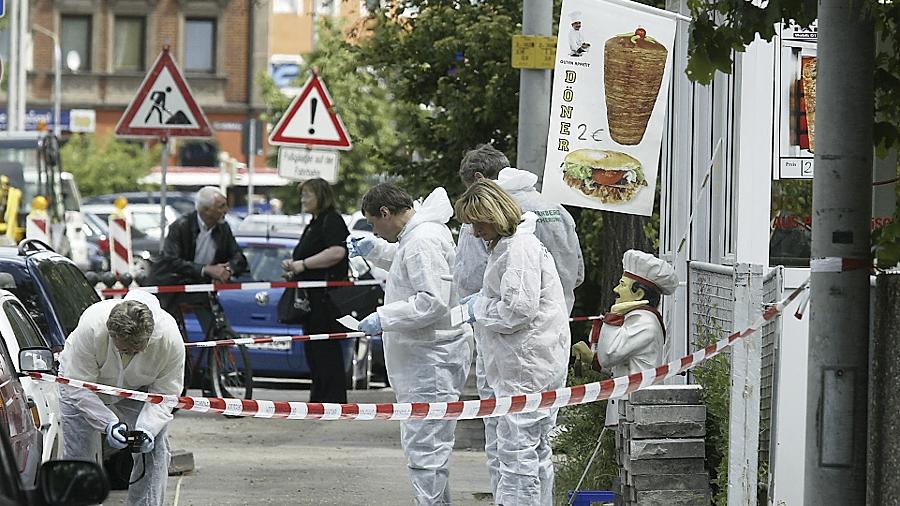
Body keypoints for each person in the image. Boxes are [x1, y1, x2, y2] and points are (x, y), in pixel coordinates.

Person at [456, 144, 583, 496]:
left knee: (517, 456)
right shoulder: (516, 242)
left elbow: (516, 312)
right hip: (528, 364)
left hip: (525, 368)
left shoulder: (518, 250)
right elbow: (577, 274)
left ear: (492, 216)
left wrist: (477, 308)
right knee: (533, 453)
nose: (476, 233)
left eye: (477, 225)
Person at [347, 183, 470, 505]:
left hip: (430, 360)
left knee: (425, 446)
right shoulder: (418, 236)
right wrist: (374, 250)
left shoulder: (423, 240)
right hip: (428, 358)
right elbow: (407, 266)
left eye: (374, 223)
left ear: (386, 213)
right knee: (429, 446)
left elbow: (432, 302)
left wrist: (383, 318)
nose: (375, 229)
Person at [58, 290, 185, 506]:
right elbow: (78, 388)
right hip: (81, 387)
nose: (127, 354)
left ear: (149, 337)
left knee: (156, 448)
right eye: (122, 349)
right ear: (111, 334)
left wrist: (148, 428)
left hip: (137, 389)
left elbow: (165, 394)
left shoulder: (170, 342)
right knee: (80, 457)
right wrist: (108, 423)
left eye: (134, 350)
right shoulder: (91, 326)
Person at [458, 144, 584, 315]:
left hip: (507, 331)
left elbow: (471, 279)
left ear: (479, 179)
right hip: (557, 322)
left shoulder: (480, 217)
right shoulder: (557, 209)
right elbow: (577, 273)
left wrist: (473, 312)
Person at [571, 249, 678, 425]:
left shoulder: (644, 323)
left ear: (638, 294)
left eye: (622, 284)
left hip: (635, 410)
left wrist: (613, 316)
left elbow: (609, 356)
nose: (616, 289)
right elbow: (618, 364)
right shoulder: (636, 318)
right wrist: (591, 359)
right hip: (627, 408)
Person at [280, 178, 350, 403]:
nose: (303, 200)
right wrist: (294, 267)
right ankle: (319, 400)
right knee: (314, 350)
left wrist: (304, 264)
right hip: (311, 299)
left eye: (307, 195)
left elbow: (337, 252)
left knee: (326, 349)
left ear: (320, 196)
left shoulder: (332, 221)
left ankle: (333, 401)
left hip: (325, 300)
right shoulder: (314, 223)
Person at [148, 186, 248, 339]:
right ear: (206, 210)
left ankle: (215, 347)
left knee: (216, 327)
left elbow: (238, 257)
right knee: (169, 332)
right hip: (172, 285)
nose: (226, 210)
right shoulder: (181, 226)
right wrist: (206, 269)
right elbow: (171, 260)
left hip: (200, 286)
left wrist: (228, 269)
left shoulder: (223, 228)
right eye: (221, 206)